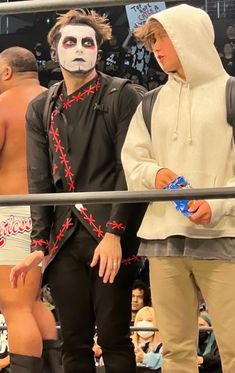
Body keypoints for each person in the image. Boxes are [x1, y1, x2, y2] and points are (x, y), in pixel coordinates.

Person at [10, 9, 143, 373]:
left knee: (115, 337)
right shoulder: (41, 106)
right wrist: (38, 245)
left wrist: (115, 233)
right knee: (74, 340)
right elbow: (39, 180)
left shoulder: (123, 95)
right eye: (70, 41)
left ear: (99, 51)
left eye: (89, 42)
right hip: (65, 238)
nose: (80, 48)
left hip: (112, 232)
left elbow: (130, 169)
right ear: (55, 51)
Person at [121, 4, 235, 373]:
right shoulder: (152, 102)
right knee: (175, 353)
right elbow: (133, 160)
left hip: (223, 236)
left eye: (164, 36)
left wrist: (217, 207)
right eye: (153, 39)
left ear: (191, 37)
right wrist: (154, 174)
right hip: (162, 237)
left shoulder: (230, 93)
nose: (157, 46)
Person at [0, 47, 62, 373]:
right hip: (58, 213)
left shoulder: (4, 105)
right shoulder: (58, 100)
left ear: (7, 72)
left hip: (15, 212)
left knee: (14, 304)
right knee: (33, 300)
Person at [132, 306, 162, 372]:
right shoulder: (128, 344)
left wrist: (145, 358)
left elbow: (166, 362)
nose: (144, 323)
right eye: (140, 320)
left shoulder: (162, 346)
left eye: (149, 320)